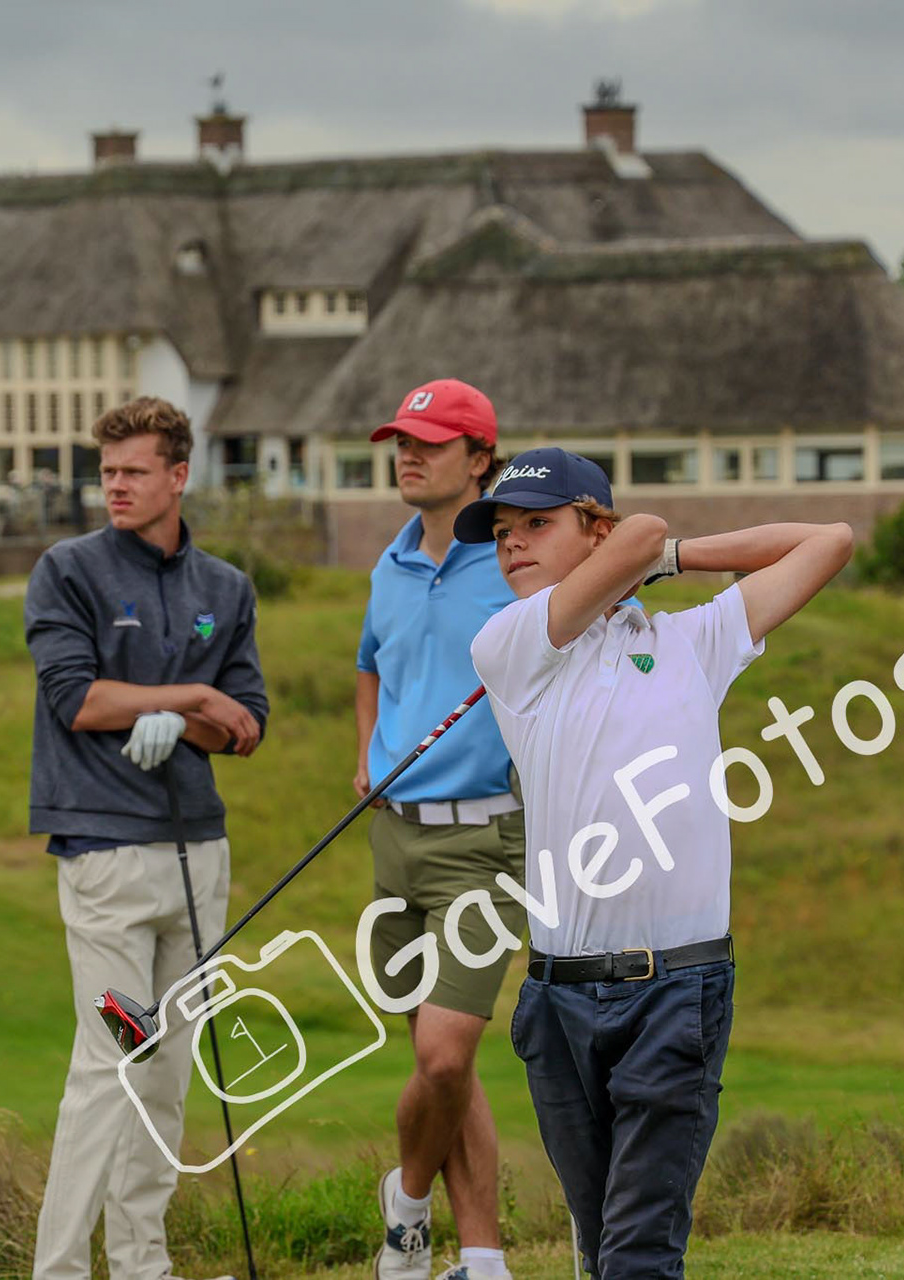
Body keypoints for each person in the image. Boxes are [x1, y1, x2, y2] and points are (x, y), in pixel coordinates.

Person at [455, 448, 851, 1279]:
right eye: (502, 533)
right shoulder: (509, 645)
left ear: (593, 529)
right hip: (559, 997)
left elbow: (829, 539)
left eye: (537, 524)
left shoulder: (690, 641)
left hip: (679, 989)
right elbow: (639, 537)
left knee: (638, 1255)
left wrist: (670, 561)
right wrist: (627, 556)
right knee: (604, 1250)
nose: (513, 546)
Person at [26, 396, 269, 1280]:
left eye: (133, 472)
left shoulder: (225, 589)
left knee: (165, 1073)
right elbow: (76, 699)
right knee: (108, 1065)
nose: (116, 488)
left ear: (179, 475)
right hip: (102, 853)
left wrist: (198, 715)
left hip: (197, 852)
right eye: (107, 473)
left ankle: (141, 1263)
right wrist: (189, 700)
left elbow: (249, 725)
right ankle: (57, 1269)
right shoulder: (68, 570)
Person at [354, 380, 524, 1280]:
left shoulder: (514, 560)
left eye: (429, 440)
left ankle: (407, 1203)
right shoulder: (389, 564)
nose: (407, 453)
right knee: (441, 1061)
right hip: (396, 839)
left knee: (445, 1051)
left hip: (485, 842)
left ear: (480, 458)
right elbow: (371, 665)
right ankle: (485, 1258)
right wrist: (365, 754)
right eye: (400, 440)